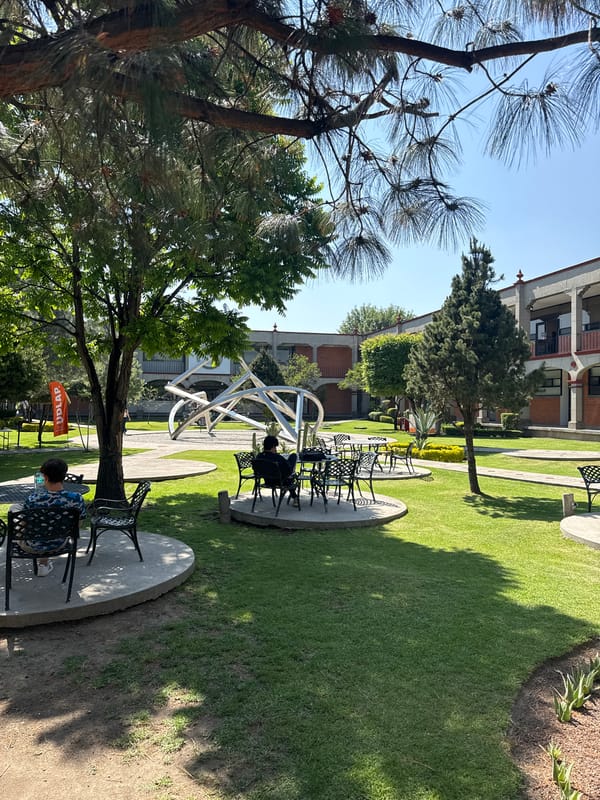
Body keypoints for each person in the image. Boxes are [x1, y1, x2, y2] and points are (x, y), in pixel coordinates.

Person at [23, 458, 87, 577]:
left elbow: (24, 525)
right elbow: (79, 524)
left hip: (34, 544)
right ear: (64, 476)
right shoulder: (76, 499)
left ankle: (43, 563)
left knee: (15, 509)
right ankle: (43, 564)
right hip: (60, 542)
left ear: (45, 477)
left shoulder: (32, 499)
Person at [257, 435, 299, 505]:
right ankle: (295, 498)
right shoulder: (277, 458)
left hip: (267, 480)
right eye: (275, 447)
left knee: (288, 479)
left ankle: (295, 498)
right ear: (273, 446)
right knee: (293, 456)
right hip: (280, 481)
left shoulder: (259, 457)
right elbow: (287, 470)